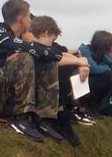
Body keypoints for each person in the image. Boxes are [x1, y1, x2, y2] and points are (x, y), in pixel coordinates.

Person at [0, 0, 81, 142]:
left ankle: (44, 117)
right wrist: (79, 61)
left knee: (45, 60)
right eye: (29, 16)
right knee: (26, 57)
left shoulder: (12, 37)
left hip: (2, 97)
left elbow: (46, 52)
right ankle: (21, 118)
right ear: (21, 19)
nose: (31, 20)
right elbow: (37, 49)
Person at [29, 14, 90, 147]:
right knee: (61, 67)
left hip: (42, 94)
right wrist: (80, 62)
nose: (53, 42)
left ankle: (62, 113)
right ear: (46, 32)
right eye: (52, 38)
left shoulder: (48, 48)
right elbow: (56, 59)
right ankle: (60, 115)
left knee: (66, 66)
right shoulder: (33, 48)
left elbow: (61, 54)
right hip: (35, 95)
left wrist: (82, 63)